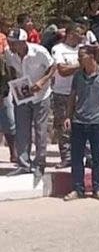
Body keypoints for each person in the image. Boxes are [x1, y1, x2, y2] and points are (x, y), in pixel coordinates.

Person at [62, 46, 99, 201]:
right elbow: (72, 96)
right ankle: (77, 189)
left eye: (82, 56)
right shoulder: (78, 75)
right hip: (79, 121)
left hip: (97, 122)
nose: (79, 59)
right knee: (76, 157)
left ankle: (97, 188)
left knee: (97, 158)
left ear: (92, 56)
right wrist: (68, 116)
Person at [5, 28, 56, 177]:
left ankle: (39, 163)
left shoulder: (39, 51)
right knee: (21, 129)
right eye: (10, 42)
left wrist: (42, 82)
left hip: (41, 95)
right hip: (22, 94)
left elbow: (53, 67)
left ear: (23, 42)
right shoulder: (9, 54)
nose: (11, 46)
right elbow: (11, 69)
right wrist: (14, 84)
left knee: (40, 130)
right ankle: (24, 163)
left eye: (14, 43)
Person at [51, 24, 84, 169]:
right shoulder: (58, 49)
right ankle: (67, 157)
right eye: (79, 33)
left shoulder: (82, 49)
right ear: (70, 34)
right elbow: (62, 70)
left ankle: (86, 156)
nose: (82, 37)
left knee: (84, 125)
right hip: (62, 93)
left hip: (81, 93)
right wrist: (81, 65)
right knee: (64, 126)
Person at [0, 48, 17, 163]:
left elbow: (6, 78)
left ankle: (13, 152)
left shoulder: (2, 60)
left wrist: (2, 95)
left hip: (3, 94)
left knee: (9, 123)